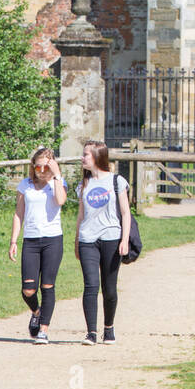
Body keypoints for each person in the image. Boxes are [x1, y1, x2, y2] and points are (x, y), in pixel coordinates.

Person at [9, 147, 67, 345]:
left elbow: (60, 201)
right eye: (38, 167)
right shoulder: (25, 185)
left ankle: (43, 329)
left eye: (46, 167)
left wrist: (57, 175)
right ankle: (36, 311)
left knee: (47, 285)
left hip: (52, 240)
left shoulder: (57, 183)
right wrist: (13, 241)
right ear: (32, 167)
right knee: (28, 290)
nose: (41, 171)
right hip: (31, 241)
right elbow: (19, 213)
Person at [75, 140, 130, 345]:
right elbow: (81, 216)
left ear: (97, 157)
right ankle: (91, 332)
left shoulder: (117, 181)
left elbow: (125, 213)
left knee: (109, 288)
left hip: (111, 238)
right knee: (90, 285)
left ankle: (109, 327)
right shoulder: (83, 185)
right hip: (87, 239)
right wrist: (76, 241)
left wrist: (124, 239)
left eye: (85, 155)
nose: (82, 158)